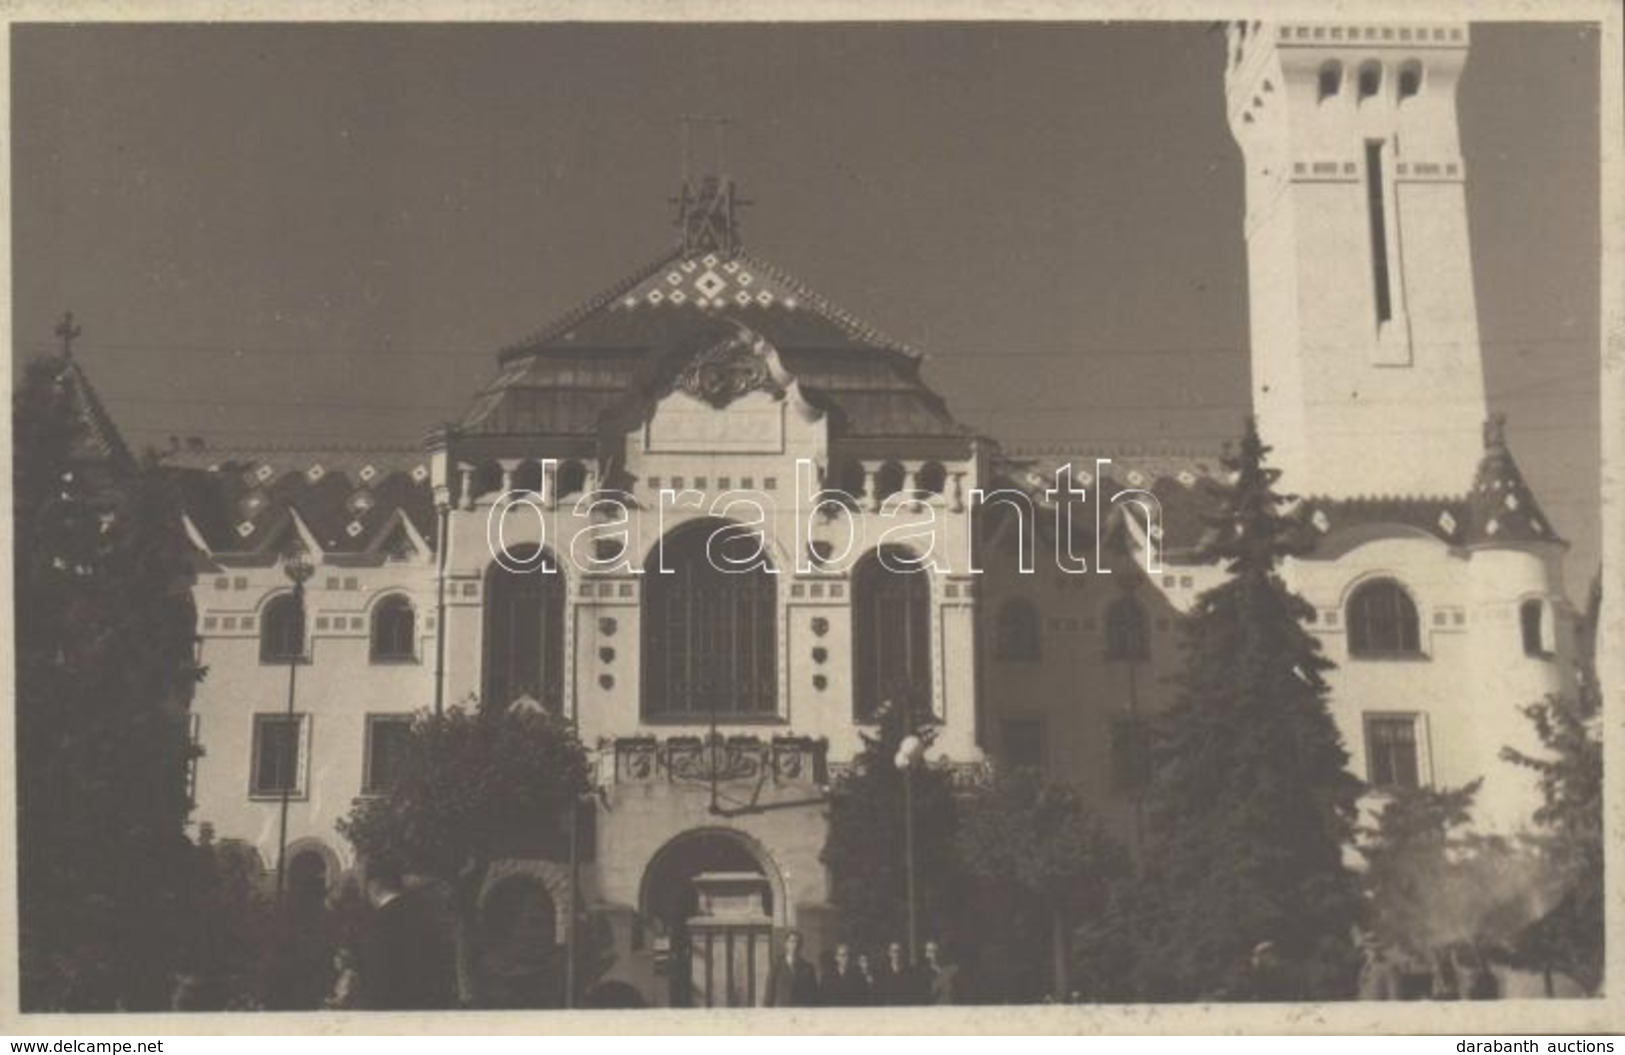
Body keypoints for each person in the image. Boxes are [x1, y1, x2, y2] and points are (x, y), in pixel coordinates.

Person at [359, 861, 456, 1010]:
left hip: (394, 1006)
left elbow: (379, 974)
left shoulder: (379, 921)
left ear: (373, 888)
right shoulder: (425, 912)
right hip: (432, 1003)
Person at [763, 930, 820, 1007]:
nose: (795, 945)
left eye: (798, 942)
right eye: (792, 942)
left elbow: (814, 996)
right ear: (786, 944)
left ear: (801, 945)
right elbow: (769, 996)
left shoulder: (808, 968)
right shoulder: (776, 967)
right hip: (783, 1013)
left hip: (802, 1012)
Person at [821, 942, 870, 1006]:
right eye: (843, 955)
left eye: (848, 955)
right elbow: (824, 1001)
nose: (846, 958)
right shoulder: (827, 977)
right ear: (836, 957)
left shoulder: (858, 977)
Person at [874, 940, 920, 1005]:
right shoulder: (882, 973)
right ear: (889, 953)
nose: (897, 954)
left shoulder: (911, 973)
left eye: (899, 951)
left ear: (903, 953)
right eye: (894, 951)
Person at [922, 939, 959, 1005]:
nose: (934, 954)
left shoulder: (953, 970)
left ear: (941, 951)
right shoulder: (923, 973)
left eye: (935, 951)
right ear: (926, 954)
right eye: (930, 951)